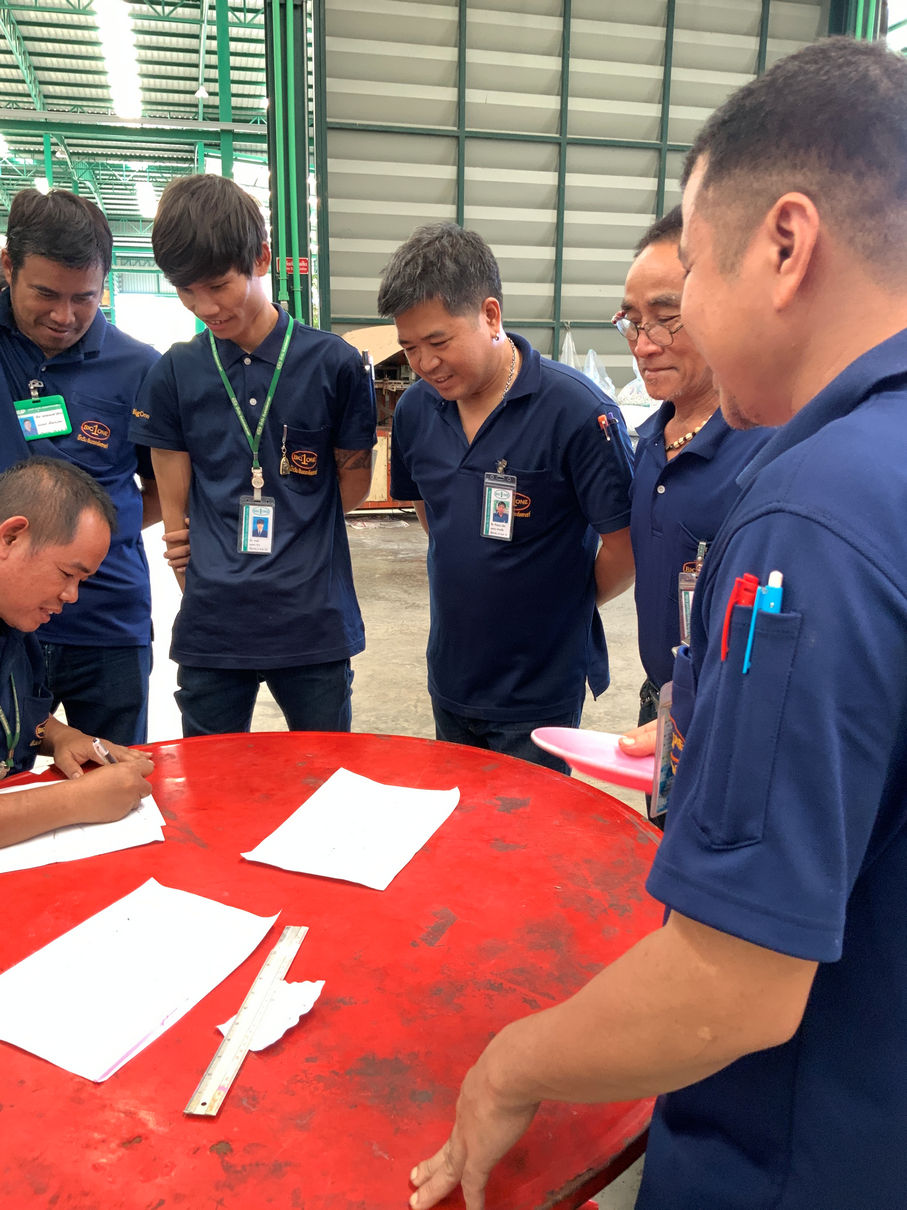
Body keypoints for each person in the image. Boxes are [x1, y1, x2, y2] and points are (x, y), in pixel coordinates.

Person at [406, 36, 907, 1210]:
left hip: (792, 1151)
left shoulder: (807, 508)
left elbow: (733, 984)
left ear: (783, 245)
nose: (662, 334)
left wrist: (509, 1065)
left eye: (687, 282)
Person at [379, 223, 635, 773]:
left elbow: (625, 545)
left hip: (538, 689)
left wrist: (557, 605)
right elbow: (432, 513)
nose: (424, 363)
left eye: (438, 342)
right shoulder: (415, 411)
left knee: (529, 820)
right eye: (409, 348)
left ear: (490, 315)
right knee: (457, 813)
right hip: (452, 675)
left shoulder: (577, 412)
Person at [129, 174, 376, 737]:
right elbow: (174, 501)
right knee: (210, 776)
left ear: (261, 259)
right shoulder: (175, 371)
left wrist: (298, 533)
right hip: (213, 626)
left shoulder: (333, 364)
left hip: (313, 621)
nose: (205, 307)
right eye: (186, 290)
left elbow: (352, 483)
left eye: (218, 285)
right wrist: (189, 562)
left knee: (322, 770)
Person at [614, 207, 770, 822]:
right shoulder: (651, 440)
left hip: (730, 722)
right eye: (632, 321)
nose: (643, 344)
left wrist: (704, 710)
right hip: (662, 704)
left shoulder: (765, 448)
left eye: (666, 316)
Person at [0, 188, 166, 746]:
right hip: (3, 618)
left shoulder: (139, 367)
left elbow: (161, 491)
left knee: (112, 771)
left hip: (106, 624)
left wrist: (79, 547)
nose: (63, 316)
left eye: (84, 298)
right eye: (45, 294)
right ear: (8, 266)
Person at [0, 458, 153, 847]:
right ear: (11, 537)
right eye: (67, 574)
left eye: (82, 581)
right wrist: (72, 801)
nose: (71, 596)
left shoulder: (17, 627)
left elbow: (19, 707)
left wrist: (63, 736)